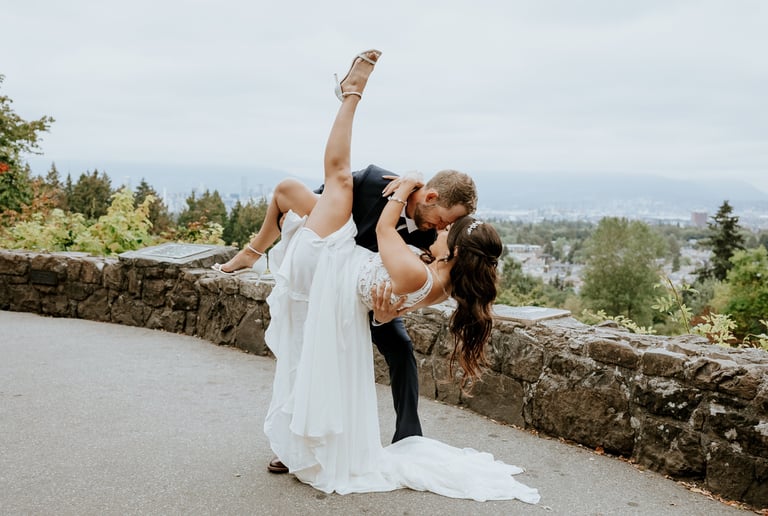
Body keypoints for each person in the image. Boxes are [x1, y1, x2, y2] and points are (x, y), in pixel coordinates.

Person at [253, 49, 539, 502]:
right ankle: (349, 94)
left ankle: (401, 435)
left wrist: (388, 314)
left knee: (362, 354)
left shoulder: (429, 245)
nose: (439, 229)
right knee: (339, 182)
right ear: (431, 195)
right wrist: (401, 187)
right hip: (337, 265)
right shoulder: (381, 188)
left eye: (448, 229)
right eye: (444, 218)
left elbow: (392, 251)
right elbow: (387, 256)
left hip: (343, 277)